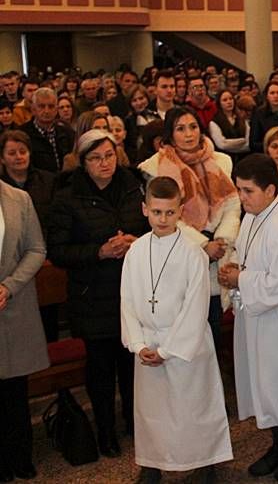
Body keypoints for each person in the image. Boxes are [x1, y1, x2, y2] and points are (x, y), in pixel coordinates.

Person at [121, 176, 232, 484]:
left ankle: (205, 461)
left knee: (192, 408)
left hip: (185, 344)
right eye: (157, 212)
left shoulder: (192, 252)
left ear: (180, 210)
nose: (163, 219)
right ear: (145, 209)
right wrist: (138, 344)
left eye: (170, 212)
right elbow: (127, 302)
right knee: (153, 412)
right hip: (147, 342)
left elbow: (195, 309)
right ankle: (153, 463)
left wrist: (168, 350)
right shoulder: (136, 251)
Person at [48, 129, 149, 457]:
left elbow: (153, 229)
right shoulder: (67, 197)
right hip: (93, 294)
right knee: (102, 369)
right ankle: (106, 430)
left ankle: (135, 424)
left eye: (108, 155)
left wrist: (137, 242)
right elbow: (59, 252)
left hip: (133, 290)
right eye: (95, 158)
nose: (104, 163)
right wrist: (100, 251)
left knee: (132, 364)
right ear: (83, 162)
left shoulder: (134, 185)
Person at [217, 155, 278, 482]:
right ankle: (277, 445)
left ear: (270, 189)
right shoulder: (255, 216)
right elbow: (246, 256)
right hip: (256, 318)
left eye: (248, 191)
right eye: (239, 190)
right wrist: (234, 270)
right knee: (266, 386)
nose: (241, 197)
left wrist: (241, 279)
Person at [138, 107, 241, 353]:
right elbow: (165, 214)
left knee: (212, 325)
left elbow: (232, 203)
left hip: (217, 251)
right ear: (170, 134)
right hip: (181, 250)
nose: (188, 134)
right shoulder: (156, 166)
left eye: (193, 127)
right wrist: (202, 244)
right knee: (185, 328)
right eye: (180, 128)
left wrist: (220, 240)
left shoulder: (221, 161)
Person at [0, 178, 48, 482]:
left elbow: (36, 248)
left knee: (15, 389)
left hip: (13, 303)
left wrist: (9, 285)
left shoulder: (19, 198)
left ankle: (20, 456)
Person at [0, 130, 55, 228]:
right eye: (12, 153)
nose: (19, 157)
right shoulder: (2, 185)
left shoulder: (48, 181)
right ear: (2, 159)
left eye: (23, 152)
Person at [20, 87, 74, 173]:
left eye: (51, 106)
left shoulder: (67, 132)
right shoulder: (22, 135)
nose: (46, 111)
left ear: (56, 110)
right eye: (41, 106)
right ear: (33, 109)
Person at [208, 89, 249, 158]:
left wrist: (231, 144)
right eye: (225, 100)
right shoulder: (214, 122)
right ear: (219, 103)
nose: (229, 102)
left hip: (244, 157)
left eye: (231, 99)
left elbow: (248, 143)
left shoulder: (241, 118)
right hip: (225, 158)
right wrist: (242, 141)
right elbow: (222, 145)